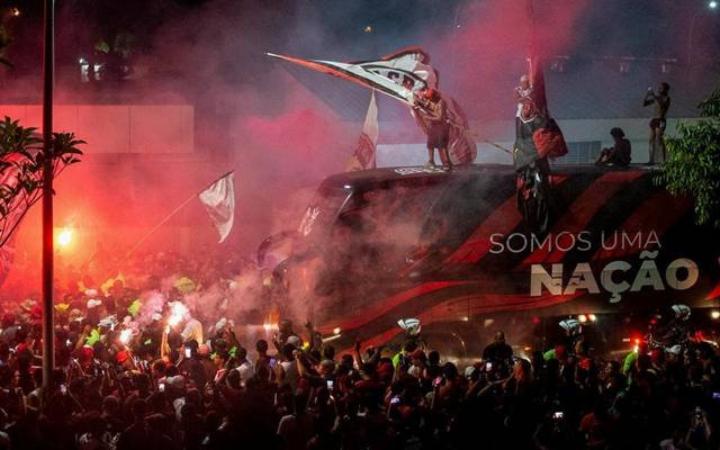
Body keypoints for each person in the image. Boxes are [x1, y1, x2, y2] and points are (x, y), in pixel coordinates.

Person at [415, 87, 452, 171]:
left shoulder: (441, 103)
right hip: (434, 126)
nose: (428, 100)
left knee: (442, 146)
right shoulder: (431, 101)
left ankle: (446, 163)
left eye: (430, 98)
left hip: (442, 126)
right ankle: (431, 161)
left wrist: (428, 117)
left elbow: (440, 117)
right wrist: (417, 101)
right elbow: (423, 103)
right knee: (430, 144)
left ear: (434, 97)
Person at [643, 82, 671, 164]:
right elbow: (645, 104)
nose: (659, 89)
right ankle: (651, 160)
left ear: (665, 89)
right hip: (654, 120)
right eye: (659, 88)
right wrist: (648, 95)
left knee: (659, 140)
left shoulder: (667, 98)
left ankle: (664, 160)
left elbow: (662, 104)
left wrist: (654, 95)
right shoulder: (656, 98)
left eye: (661, 88)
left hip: (661, 120)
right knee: (651, 140)